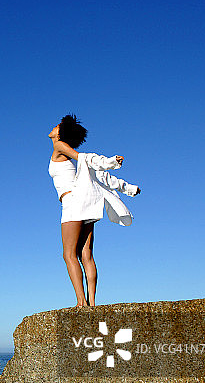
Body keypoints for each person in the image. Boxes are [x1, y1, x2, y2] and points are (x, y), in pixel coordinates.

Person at [47, 114, 140, 307]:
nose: (54, 126)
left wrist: (110, 162)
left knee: (69, 255)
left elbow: (85, 158)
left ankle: (81, 302)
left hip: (72, 203)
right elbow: (101, 177)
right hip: (86, 203)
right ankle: (92, 302)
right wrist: (128, 188)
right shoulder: (73, 164)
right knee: (86, 255)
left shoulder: (59, 146)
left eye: (58, 126)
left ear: (61, 133)